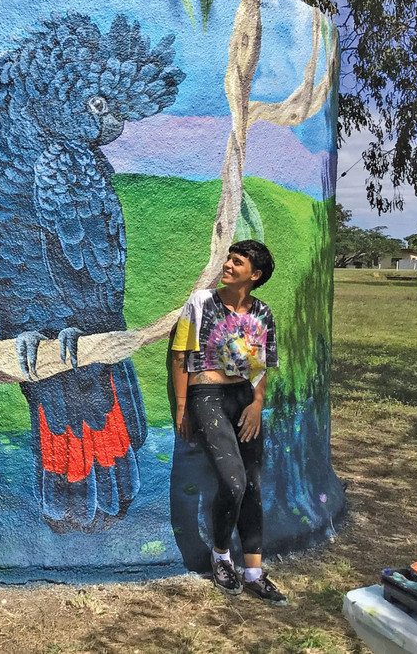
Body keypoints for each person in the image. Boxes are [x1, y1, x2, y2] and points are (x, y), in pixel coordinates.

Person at [170, 239, 286, 605]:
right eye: (229, 259)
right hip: (207, 398)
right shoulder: (201, 303)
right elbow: (179, 355)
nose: (229, 265)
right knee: (233, 482)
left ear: (255, 275)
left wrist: (257, 402)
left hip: (245, 400)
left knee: (252, 483)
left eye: (238, 262)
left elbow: (263, 364)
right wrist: (182, 407)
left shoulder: (263, 314)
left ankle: (253, 571)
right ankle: (221, 556)